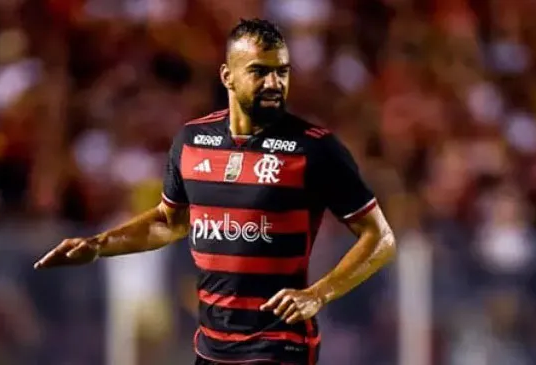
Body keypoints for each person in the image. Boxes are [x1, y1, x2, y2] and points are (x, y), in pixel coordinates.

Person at [34, 18, 397, 365]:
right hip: (212, 346)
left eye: (281, 72)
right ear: (228, 76)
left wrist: (318, 294)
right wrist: (98, 245)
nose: (274, 83)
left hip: (279, 345)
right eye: (259, 71)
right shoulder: (191, 142)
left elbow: (379, 237)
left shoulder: (315, 149)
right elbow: (169, 222)